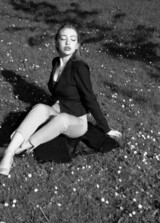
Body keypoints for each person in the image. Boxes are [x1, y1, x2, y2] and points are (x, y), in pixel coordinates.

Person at [0, 24, 122, 176]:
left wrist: (106, 128)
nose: (67, 43)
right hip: (60, 108)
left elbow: (90, 98)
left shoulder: (80, 68)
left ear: (77, 45)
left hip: (77, 122)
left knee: (62, 119)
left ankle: (14, 150)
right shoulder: (56, 62)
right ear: (56, 42)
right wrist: (53, 107)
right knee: (39, 108)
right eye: (63, 38)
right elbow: (58, 91)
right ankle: (10, 151)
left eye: (72, 39)